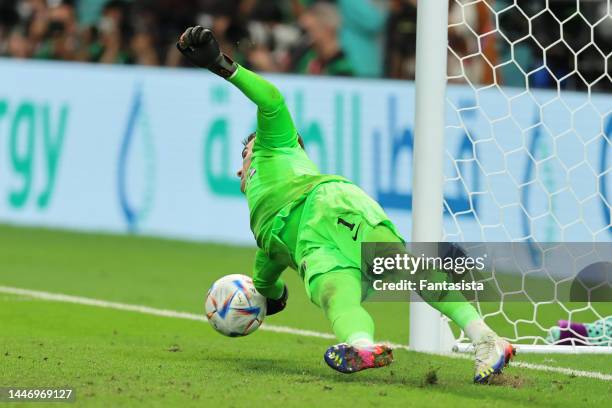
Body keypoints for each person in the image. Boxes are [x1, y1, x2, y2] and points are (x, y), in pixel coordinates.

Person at [176, 26, 515, 383]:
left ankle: (484, 338)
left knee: (402, 267)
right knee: (335, 295)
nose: (237, 169)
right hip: (315, 250)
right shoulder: (265, 239)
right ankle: (363, 347)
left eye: (243, 156)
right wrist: (269, 300)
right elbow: (267, 286)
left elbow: (271, 100)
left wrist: (220, 65)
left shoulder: (274, 145)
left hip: (328, 206)